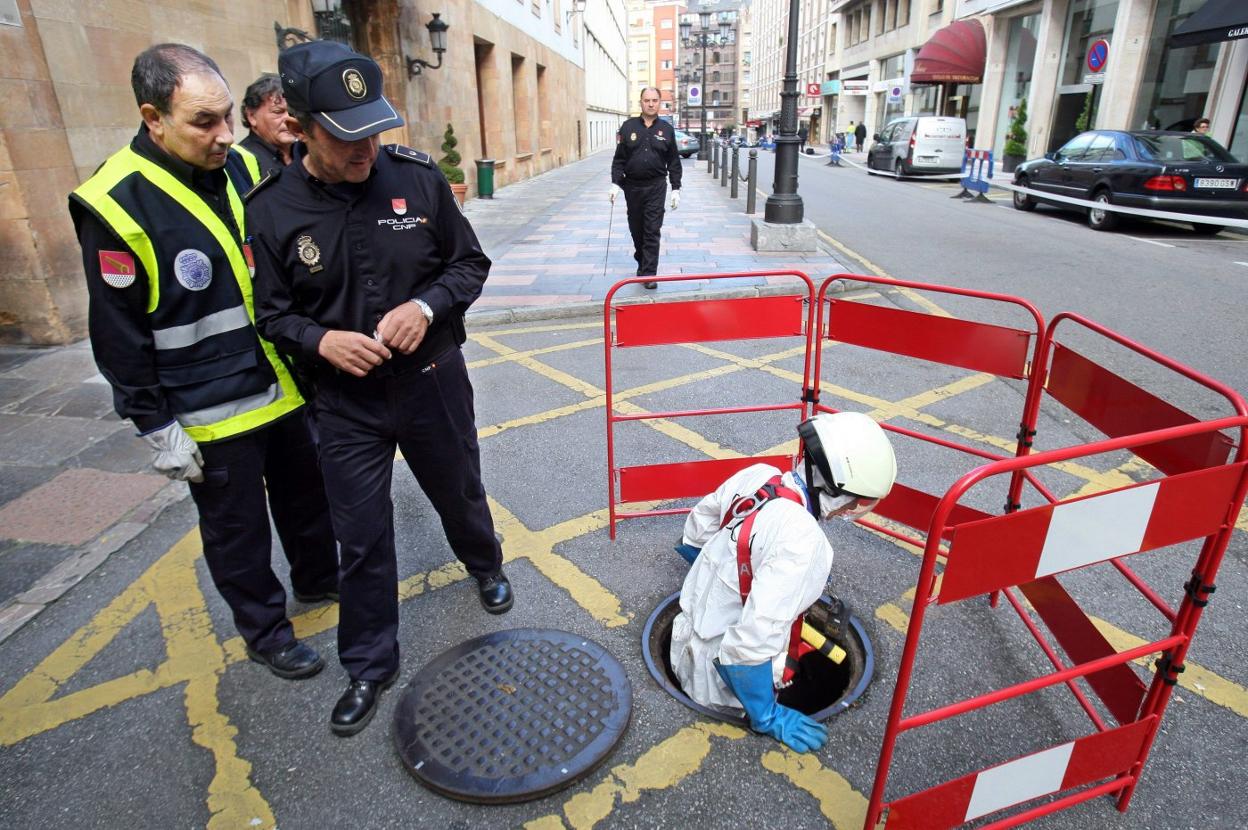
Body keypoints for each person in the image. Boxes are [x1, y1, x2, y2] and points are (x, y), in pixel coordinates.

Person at [250, 40, 512, 737]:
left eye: (373, 129)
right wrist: (320, 340)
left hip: (431, 382)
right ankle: (368, 663)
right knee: (361, 538)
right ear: (300, 127)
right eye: (345, 135)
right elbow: (272, 313)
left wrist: (425, 308)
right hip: (344, 404)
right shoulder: (271, 209)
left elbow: (469, 266)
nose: (365, 147)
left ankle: (484, 565)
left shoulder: (417, 180)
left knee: (459, 488)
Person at [67, 44, 339, 684]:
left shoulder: (245, 168)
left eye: (226, 118)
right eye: (203, 122)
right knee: (236, 531)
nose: (224, 136)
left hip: (284, 383)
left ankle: (320, 582)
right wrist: (153, 424)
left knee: (308, 501)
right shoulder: (114, 202)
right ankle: (266, 632)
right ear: (152, 117)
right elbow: (118, 332)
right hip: (210, 409)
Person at [670, 412, 897, 752]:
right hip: (718, 686)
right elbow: (746, 648)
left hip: (681, 641)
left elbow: (695, 534)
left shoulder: (759, 476)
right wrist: (768, 717)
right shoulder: (805, 544)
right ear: (850, 502)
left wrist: (724, 579)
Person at [610, 87, 682, 290]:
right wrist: (615, 183)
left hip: (656, 186)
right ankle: (642, 259)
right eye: (647, 100)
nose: (651, 104)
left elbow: (674, 161)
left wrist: (676, 188)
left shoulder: (666, 130)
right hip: (632, 187)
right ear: (640, 102)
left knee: (652, 230)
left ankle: (649, 274)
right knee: (637, 230)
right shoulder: (628, 127)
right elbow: (619, 160)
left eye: (655, 100)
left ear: (660, 102)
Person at [235, 73, 295, 178]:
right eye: (277, 112)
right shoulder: (240, 161)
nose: (290, 119)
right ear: (252, 116)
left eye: (292, 112)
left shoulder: (304, 152)